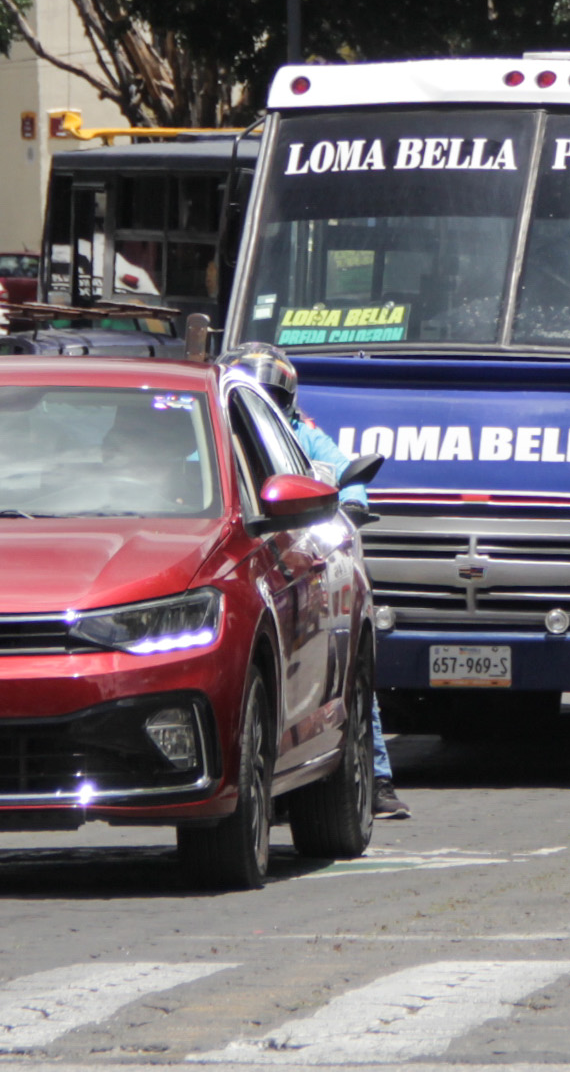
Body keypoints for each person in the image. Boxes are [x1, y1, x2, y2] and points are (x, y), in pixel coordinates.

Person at [232, 347, 408, 820]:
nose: (261, 404)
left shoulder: (304, 436)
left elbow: (349, 476)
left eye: (269, 395)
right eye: (253, 395)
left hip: (306, 562)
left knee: (345, 664)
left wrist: (350, 504)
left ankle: (375, 778)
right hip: (249, 562)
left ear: (286, 399)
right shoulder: (214, 434)